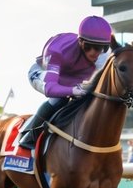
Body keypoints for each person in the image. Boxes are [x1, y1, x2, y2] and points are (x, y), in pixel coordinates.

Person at [17, 16, 112, 152]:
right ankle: (30, 133)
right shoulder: (58, 49)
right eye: (88, 47)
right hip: (45, 74)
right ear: (80, 42)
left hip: (74, 77)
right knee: (58, 99)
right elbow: (50, 88)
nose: (93, 52)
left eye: (99, 48)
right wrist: (73, 91)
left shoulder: (104, 56)